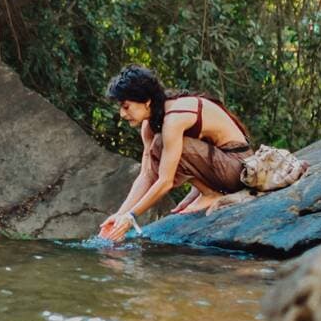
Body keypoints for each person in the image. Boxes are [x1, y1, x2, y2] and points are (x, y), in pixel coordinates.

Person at [98, 65, 253, 242]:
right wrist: (120, 215)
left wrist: (131, 218)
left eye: (126, 106)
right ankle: (207, 192)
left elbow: (165, 181)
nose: (122, 114)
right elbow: (147, 174)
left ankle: (210, 194)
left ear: (147, 101)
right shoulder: (149, 125)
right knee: (159, 143)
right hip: (221, 169)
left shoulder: (174, 118)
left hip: (240, 169)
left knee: (160, 143)